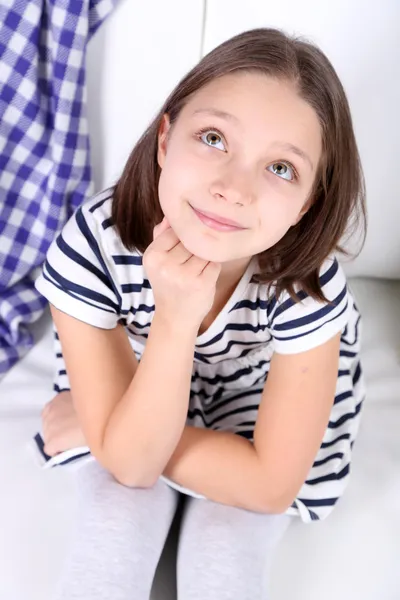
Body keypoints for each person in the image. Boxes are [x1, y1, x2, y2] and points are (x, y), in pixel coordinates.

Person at [35, 27, 366, 600]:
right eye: (213, 138)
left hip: (254, 416)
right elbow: (131, 472)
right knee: (114, 527)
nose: (233, 188)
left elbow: (267, 486)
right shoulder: (93, 244)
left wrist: (108, 430)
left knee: (225, 554)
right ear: (165, 140)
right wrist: (174, 320)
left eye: (281, 168)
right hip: (141, 381)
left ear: (307, 201)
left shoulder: (306, 287)